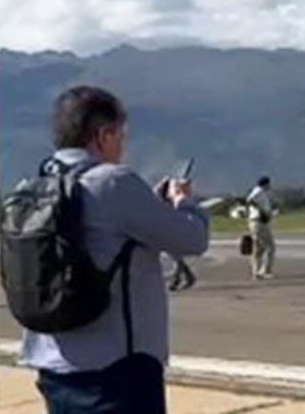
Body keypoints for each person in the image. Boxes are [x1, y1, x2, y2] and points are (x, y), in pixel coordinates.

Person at [16, 85, 209, 413]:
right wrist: (184, 203)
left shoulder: (31, 188)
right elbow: (192, 239)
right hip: (116, 368)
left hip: (52, 364)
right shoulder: (113, 181)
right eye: (121, 136)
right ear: (103, 136)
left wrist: (148, 205)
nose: (122, 146)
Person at [246, 176, 277, 279]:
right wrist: (261, 211)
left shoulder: (261, 193)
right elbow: (250, 200)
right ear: (265, 184)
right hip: (259, 222)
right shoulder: (259, 191)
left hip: (256, 222)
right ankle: (265, 270)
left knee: (259, 248)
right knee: (270, 247)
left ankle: (256, 271)